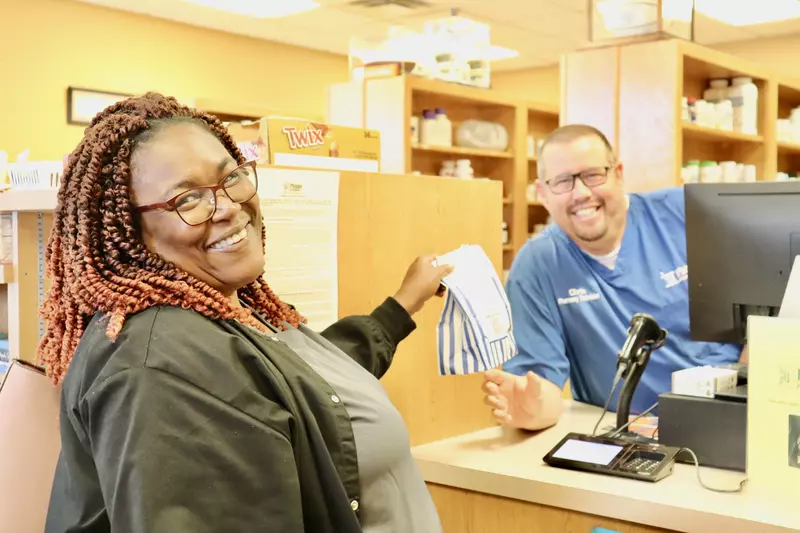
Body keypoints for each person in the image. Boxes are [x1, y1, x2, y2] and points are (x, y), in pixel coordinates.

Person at [41, 92, 452, 533]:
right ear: (127, 226)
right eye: (188, 199)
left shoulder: (229, 306)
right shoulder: (159, 365)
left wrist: (402, 306)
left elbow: (300, 389)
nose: (229, 207)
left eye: (231, 177)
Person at [483, 124, 744, 431]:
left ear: (618, 173)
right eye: (562, 182)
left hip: (731, 417)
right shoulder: (537, 264)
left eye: (593, 175)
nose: (581, 193)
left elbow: (765, 315)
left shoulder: (684, 214)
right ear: (542, 193)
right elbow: (541, 387)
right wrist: (529, 409)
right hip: (627, 435)